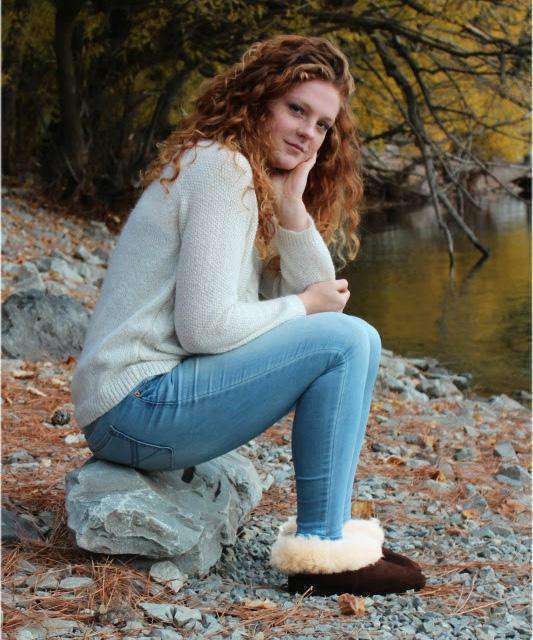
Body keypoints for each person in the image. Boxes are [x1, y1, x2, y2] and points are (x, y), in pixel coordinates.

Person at [71, 34, 426, 597]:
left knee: (347, 337)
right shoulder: (221, 169)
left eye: (323, 124)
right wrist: (303, 307)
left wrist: (291, 206)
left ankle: (327, 540)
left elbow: (319, 296)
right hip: (135, 407)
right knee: (348, 341)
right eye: (296, 110)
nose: (308, 132)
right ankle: (323, 549)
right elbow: (208, 328)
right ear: (257, 100)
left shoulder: (243, 175)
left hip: (135, 409)